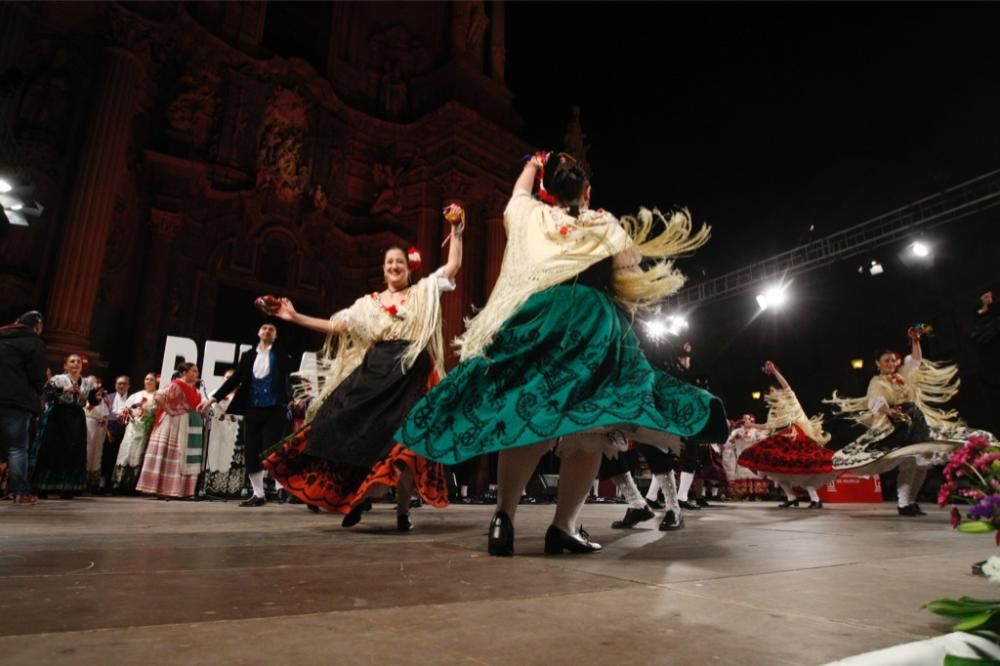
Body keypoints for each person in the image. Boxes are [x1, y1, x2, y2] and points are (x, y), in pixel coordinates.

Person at [397, 151, 728, 556]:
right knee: (590, 427)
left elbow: (516, 196)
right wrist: (620, 330)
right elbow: (627, 280)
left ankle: (503, 520)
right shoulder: (604, 222)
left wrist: (533, 164)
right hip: (594, 321)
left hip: (539, 316)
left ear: (548, 192)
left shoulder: (532, 215)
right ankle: (563, 526)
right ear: (587, 191)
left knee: (527, 415)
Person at [262, 203, 465, 530]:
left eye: (399, 261)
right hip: (376, 372)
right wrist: (294, 317)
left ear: (408, 268)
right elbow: (336, 327)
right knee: (341, 423)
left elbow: (453, 265)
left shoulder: (423, 292)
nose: (394, 266)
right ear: (383, 270)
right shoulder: (367, 304)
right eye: (389, 263)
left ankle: (402, 512)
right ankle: (358, 495)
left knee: (404, 443)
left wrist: (456, 229)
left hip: (410, 373)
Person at [827, 326, 996, 516]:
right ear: (878, 363)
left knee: (921, 464)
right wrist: (891, 411)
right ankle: (903, 503)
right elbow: (875, 402)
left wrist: (915, 341)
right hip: (898, 427)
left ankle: (911, 502)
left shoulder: (902, 376)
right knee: (910, 463)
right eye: (886, 361)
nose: (891, 363)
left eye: (893, 360)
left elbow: (915, 361)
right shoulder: (877, 381)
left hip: (916, 422)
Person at [209, 323, 293, 506]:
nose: (267, 331)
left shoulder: (281, 354)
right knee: (252, 450)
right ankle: (258, 494)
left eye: (272, 329)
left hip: (274, 407)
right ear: (258, 332)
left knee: (273, 450)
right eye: (264, 328)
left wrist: (292, 398)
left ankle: (281, 489)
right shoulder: (248, 356)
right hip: (253, 407)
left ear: (276, 336)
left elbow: (290, 376)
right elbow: (236, 378)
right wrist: (213, 398)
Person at [737, 361, 837, 509]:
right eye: (769, 392)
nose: (770, 394)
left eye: (772, 391)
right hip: (779, 441)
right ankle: (791, 498)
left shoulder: (791, 400)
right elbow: (768, 426)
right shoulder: (773, 411)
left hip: (796, 439)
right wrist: (751, 425)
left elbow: (786, 385)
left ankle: (815, 500)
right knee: (775, 470)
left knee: (803, 470)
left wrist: (774, 372)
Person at [135, 362, 210, 499]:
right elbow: (158, 396)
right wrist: (170, 410)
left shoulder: (195, 390)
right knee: (172, 454)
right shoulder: (176, 384)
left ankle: (180, 490)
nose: (196, 373)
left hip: (189, 425)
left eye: (197, 371)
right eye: (193, 371)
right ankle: (164, 489)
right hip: (174, 425)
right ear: (184, 373)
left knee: (183, 456)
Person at [32, 353, 100, 498]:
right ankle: (44, 487)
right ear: (65, 365)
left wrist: (97, 398)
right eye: (72, 361)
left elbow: (93, 401)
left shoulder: (88, 383)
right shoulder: (58, 379)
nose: (75, 364)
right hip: (58, 416)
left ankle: (69, 487)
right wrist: (64, 390)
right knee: (53, 449)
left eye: (78, 362)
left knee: (73, 451)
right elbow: (47, 394)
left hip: (76, 417)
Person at [0, 311, 47, 504]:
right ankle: (20, 492)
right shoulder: (34, 343)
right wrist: (37, 391)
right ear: (36, 327)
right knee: (17, 447)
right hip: (17, 401)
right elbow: (37, 376)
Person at [111, 372, 158, 492]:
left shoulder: (157, 396)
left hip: (145, 429)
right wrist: (128, 413)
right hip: (132, 427)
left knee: (137, 454)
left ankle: (132, 484)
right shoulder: (136, 395)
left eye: (151, 379)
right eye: (146, 379)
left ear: (155, 381)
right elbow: (124, 411)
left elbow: (156, 413)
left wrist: (147, 411)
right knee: (125, 452)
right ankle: (118, 482)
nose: (148, 381)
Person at [102, 375, 131, 491]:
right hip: (109, 431)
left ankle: (118, 483)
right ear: (115, 385)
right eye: (119, 383)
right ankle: (104, 481)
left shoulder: (132, 399)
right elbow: (104, 414)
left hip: (125, 431)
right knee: (107, 456)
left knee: (121, 457)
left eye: (124, 383)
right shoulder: (108, 398)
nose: (121, 386)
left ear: (129, 386)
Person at [83, 376, 109, 491]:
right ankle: (83, 480)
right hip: (87, 425)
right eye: (94, 383)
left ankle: (92, 482)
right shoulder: (84, 394)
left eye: (98, 382)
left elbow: (104, 412)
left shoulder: (101, 398)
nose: (97, 385)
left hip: (98, 428)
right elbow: (87, 409)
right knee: (86, 452)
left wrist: (103, 419)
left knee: (96, 453)